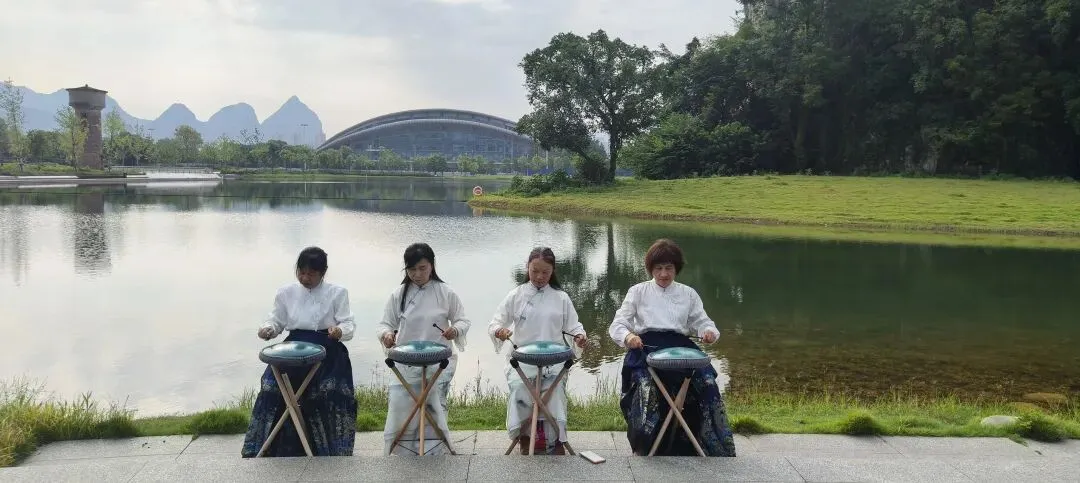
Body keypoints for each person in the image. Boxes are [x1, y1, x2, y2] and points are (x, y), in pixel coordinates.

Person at [608, 238, 736, 457]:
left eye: (669, 268)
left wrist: (708, 333)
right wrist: (629, 337)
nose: (664, 274)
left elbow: (703, 322)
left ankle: (710, 446)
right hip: (645, 347)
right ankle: (647, 446)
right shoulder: (638, 291)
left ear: (677, 268)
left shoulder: (688, 293)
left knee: (707, 382)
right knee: (646, 387)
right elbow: (618, 324)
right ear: (651, 269)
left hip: (681, 348)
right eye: (658, 268)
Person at [241, 246, 357, 457]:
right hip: (293, 348)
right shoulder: (286, 292)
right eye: (301, 273)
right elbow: (276, 320)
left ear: (323, 272)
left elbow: (348, 323)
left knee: (326, 391)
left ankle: (327, 449)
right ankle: (270, 446)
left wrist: (339, 331)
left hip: (327, 349)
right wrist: (268, 329)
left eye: (311, 274)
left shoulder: (338, 292)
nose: (305, 278)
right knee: (271, 388)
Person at [489, 247, 587, 455]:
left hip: (554, 361)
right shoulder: (516, 295)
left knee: (555, 393)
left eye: (545, 272)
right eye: (535, 271)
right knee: (521, 390)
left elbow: (574, 326)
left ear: (553, 271)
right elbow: (495, 322)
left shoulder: (561, 297)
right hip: (522, 362)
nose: (540, 277)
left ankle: (556, 438)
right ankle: (525, 436)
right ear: (527, 267)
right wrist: (500, 331)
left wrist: (579, 337)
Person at [377, 242, 471, 455]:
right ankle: (404, 447)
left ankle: (435, 447)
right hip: (406, 361)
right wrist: (387, 335)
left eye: (422, 268)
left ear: (432, 265)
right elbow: (384, 324)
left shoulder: (445, 292)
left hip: (438, 361)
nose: (417, 274)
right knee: (402, 402)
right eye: (412, 269)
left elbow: (463, 320)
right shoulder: (399, 294)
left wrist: (455, 330)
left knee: (433, 402)